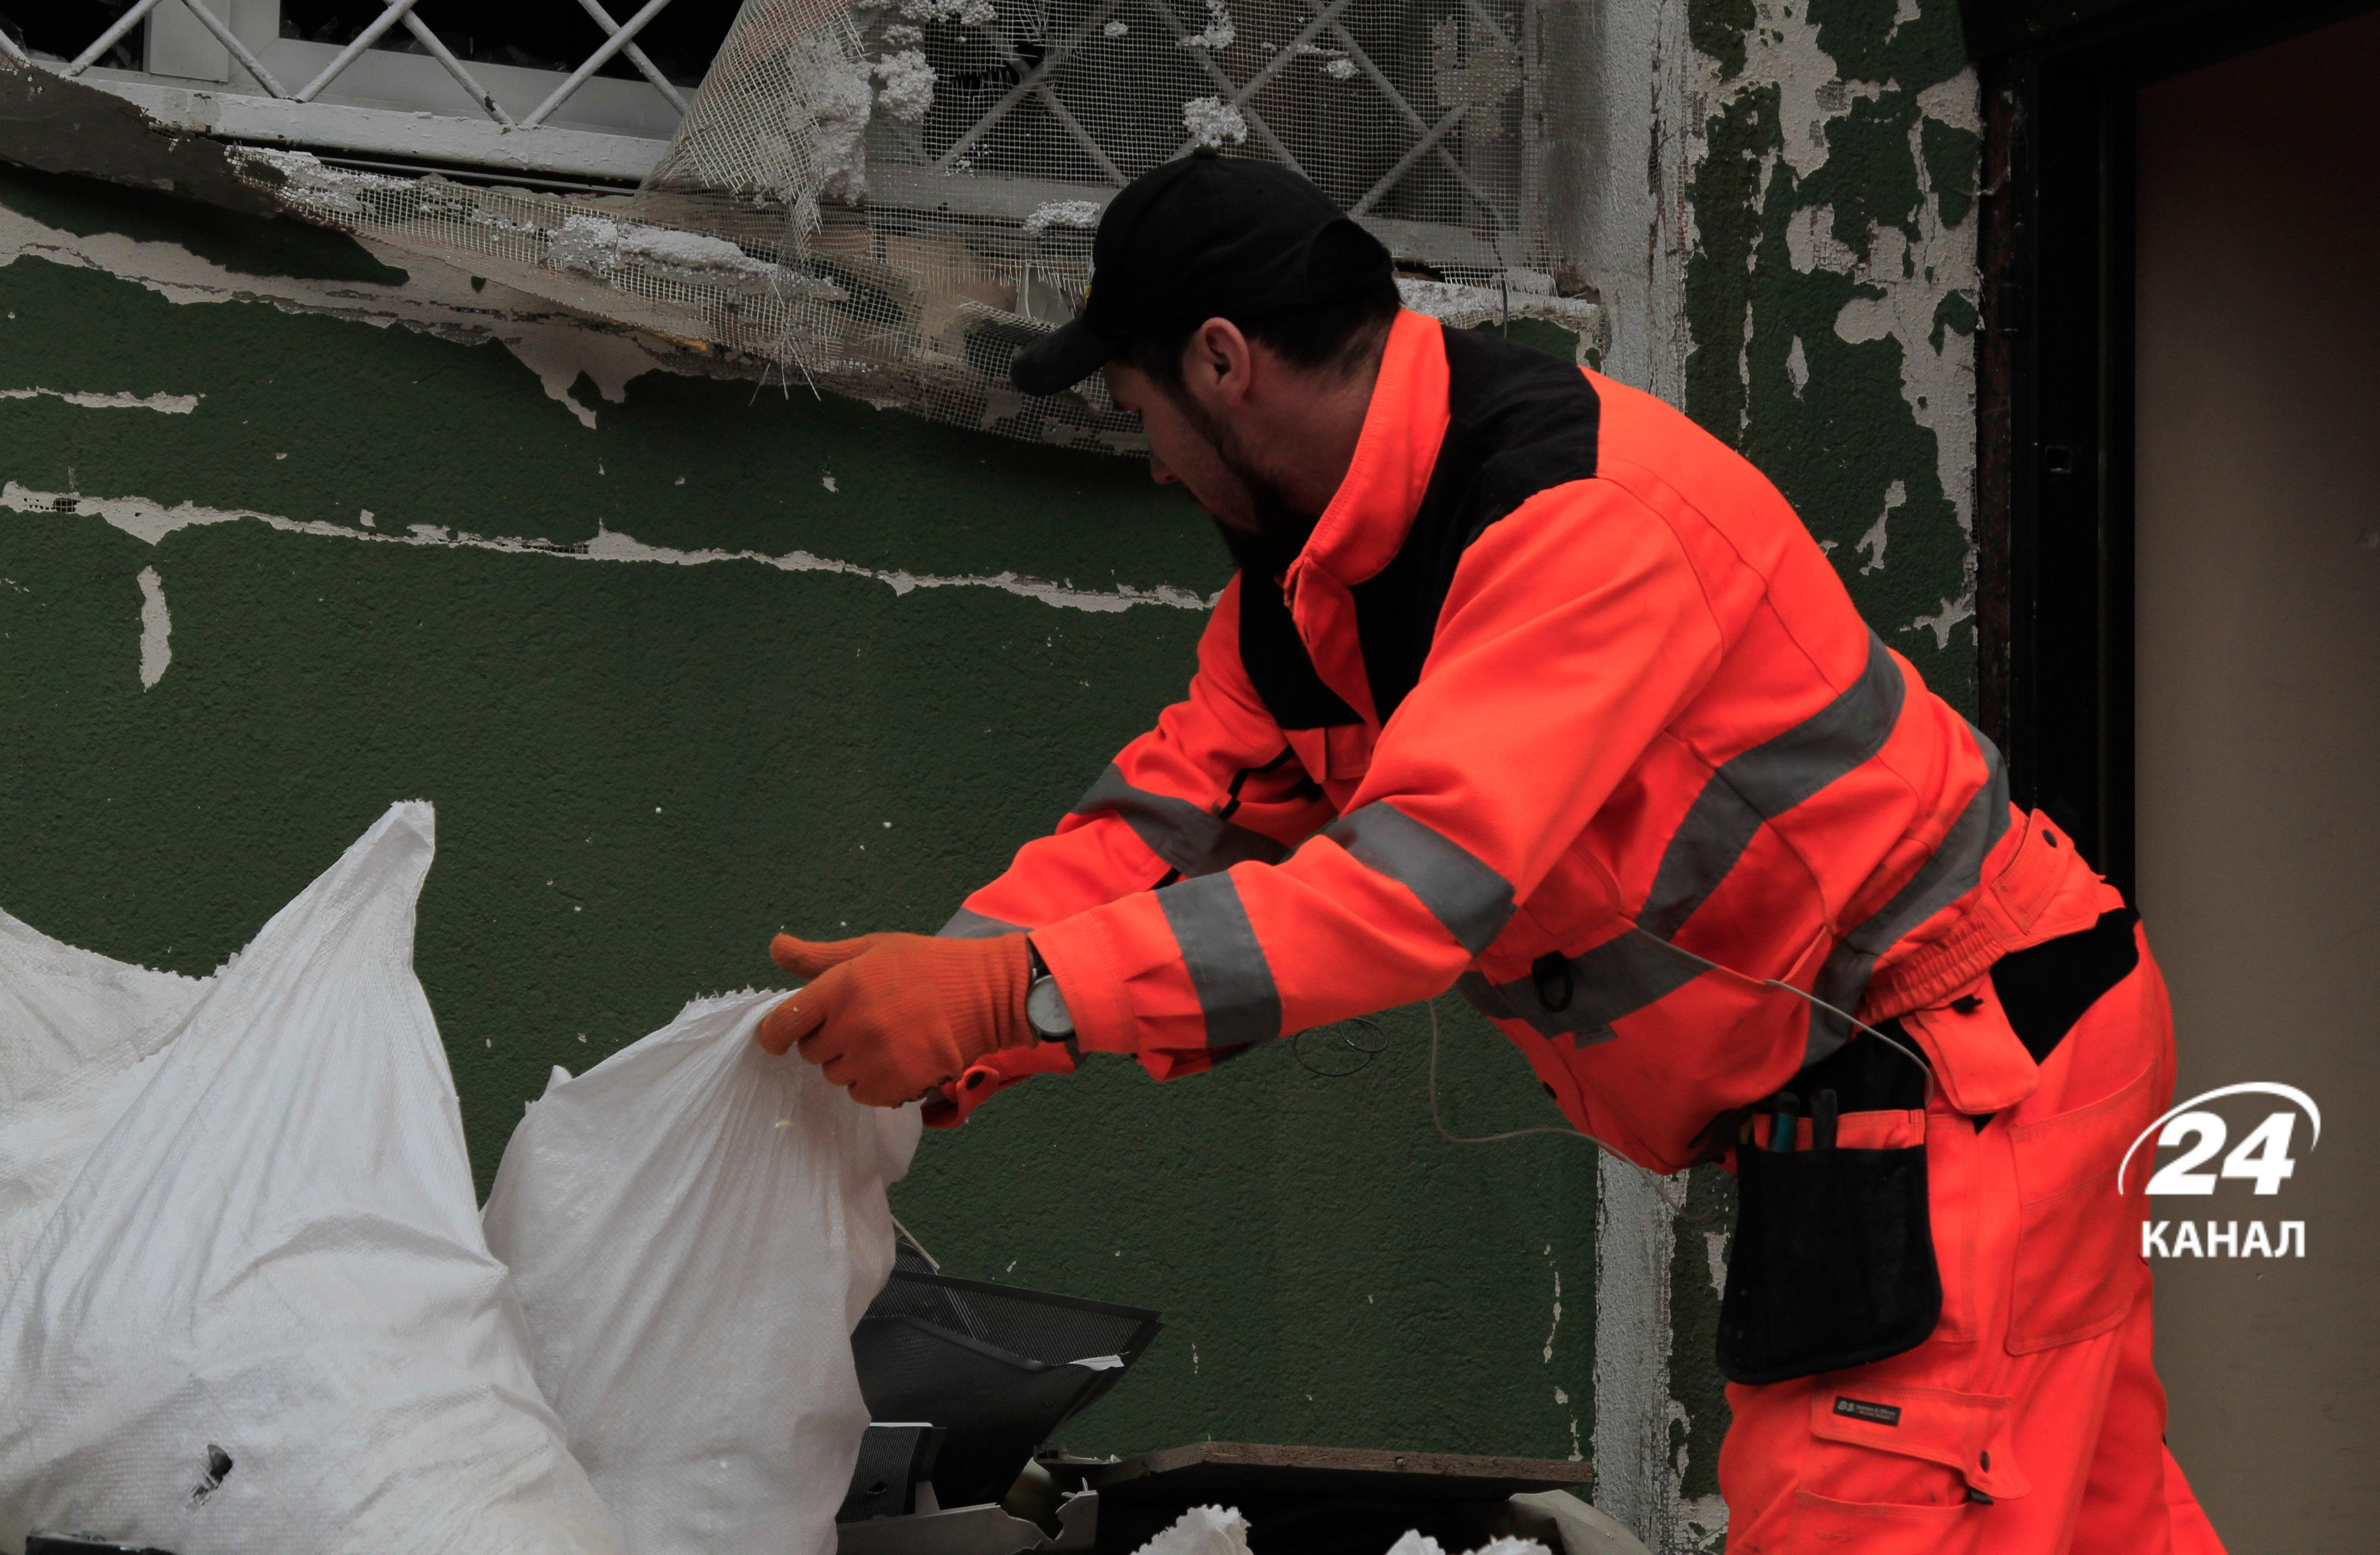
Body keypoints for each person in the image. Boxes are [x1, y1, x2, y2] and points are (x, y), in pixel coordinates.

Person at [756, 153, 2226, 1554]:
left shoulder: (1571, 517)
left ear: (1222, 363)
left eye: (1137, 407)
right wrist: (942, 1002)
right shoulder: (1316, 587)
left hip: (1961, 1065)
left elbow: (1404, 903)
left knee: (1877, 1504)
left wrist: (1019, 996)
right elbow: (1160, 825)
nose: (1148, 465)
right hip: (1977, 1053)